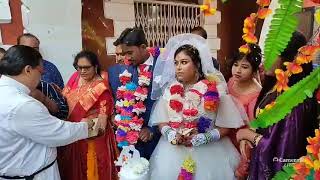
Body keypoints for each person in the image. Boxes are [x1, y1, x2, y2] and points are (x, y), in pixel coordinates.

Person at [148, 34, 244, 179]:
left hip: (210, 152)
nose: (178, 67)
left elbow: (226, 125)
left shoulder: (214, 90)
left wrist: (205, 137)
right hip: (171, 152)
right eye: (176, 63)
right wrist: (171, 134)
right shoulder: (170, 90)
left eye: (184, 62)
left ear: (197, 64)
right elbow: (162, 121)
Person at [0, 45, 96, 180]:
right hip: (32, 174)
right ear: (28, 70)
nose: (41, 78)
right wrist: (87, 126)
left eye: (86, 67)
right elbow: (57, 133)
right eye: (40, 73)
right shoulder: (23, 104)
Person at [236, 31, 319, 179]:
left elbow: (286, 154)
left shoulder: (294, 102)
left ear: (289, 60)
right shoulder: (274, 87)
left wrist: (249, 135)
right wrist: (248, 137)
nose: (265, 61)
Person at [58, 50, 118, 180]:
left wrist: (81, 127)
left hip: (92, 138)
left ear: (95, 67)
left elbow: (102, 125)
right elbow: (64, 99)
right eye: (79, 67)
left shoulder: (102, 88)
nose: (82, 71)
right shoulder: (75, 77)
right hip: (72, 135)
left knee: (91, 172)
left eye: (86, 67)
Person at [108, 27, 161, 159]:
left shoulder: (161, 68)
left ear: (143, 47)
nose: (126, 58)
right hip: (128, 139)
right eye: (124, 54)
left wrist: (152, 129)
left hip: (154, 139)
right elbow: (117, 97)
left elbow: (166, 103)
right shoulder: (120, 71)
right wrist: (116, 116)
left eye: (130, 53)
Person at [227, 44, 262, 178]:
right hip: (224, 137)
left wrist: (243, 168)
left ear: (254, 71)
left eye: (245, 67)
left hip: (240, 144)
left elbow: (252, 131)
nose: (238, 70)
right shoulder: (231, 82)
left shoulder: (256, 95)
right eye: (236, 65)